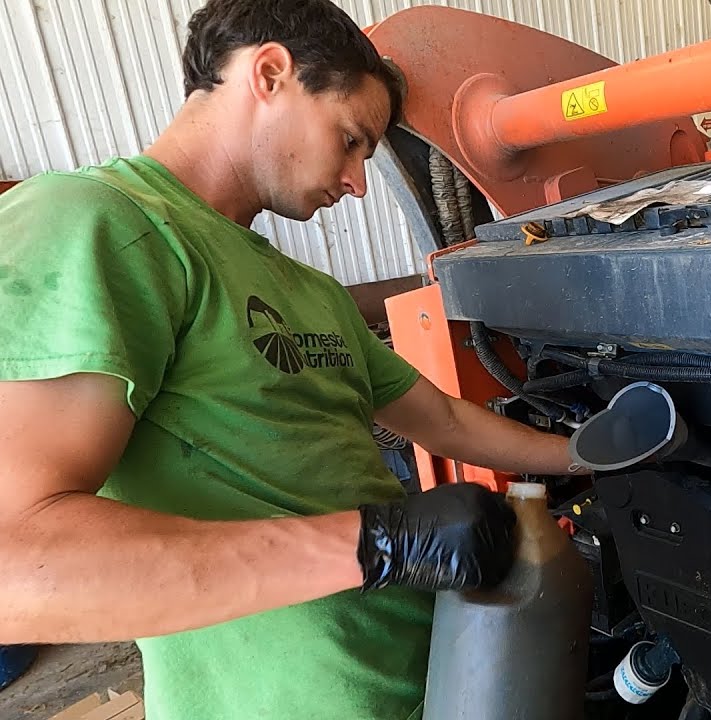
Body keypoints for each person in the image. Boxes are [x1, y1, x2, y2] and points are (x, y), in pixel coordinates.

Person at [0, 1, 579, 718]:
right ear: (270, 73)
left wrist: (587, 454)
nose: (358, 183)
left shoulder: (309, 291)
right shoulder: (101, 222)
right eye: (350, 139)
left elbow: (445, 422)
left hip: (433, 675)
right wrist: (383, 546)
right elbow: (15, 564)